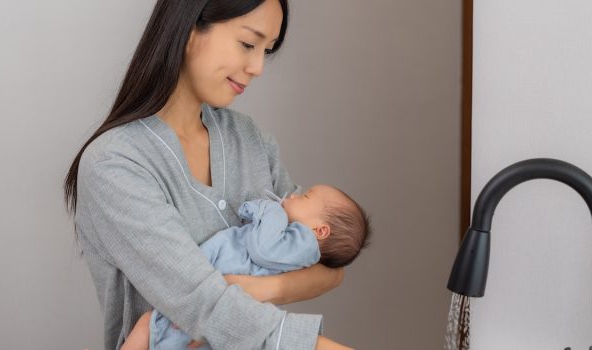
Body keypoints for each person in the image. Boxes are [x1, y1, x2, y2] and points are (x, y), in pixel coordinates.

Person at [62, 1, 352, 349]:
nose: (258, 66)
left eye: (267, 50)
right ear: (188, 29)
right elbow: (200, 301)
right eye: (248, 43)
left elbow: (328, 263)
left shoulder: (250, 139)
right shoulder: (116, 163)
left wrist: (257, 288)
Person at [119, 185, 372, 350]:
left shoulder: (302, 243)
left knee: (149, 328)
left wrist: (267, 209)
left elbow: (263, 248)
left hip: (216, 302)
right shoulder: (297, 241)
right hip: (206, 300)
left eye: (304, 196)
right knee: (148, 326)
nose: (293, 195)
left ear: (320, 230)